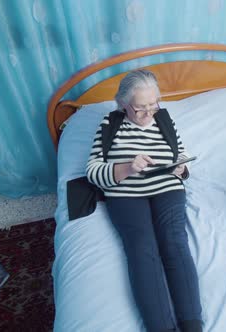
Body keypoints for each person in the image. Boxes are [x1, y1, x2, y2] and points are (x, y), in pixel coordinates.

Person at [85, 69, 203, 332]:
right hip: (125, 193)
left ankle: (193, 326)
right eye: (140, 108)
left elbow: (181, 153)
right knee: (142, 248)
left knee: (174, 242)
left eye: (154, 104)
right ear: (123, 104)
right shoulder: (110, 123)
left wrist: (180, 168)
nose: (149, 113)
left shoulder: (164, 119)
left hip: (167, 188)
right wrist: (127, 167)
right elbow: (92, 171)